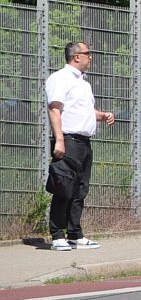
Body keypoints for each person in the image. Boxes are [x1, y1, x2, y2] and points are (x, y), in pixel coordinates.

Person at [46, 41, 115, 251]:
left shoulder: (84, 83)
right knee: (64, 189)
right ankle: (58, 235)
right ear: (76, 56)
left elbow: (85, 110)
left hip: (84, 142)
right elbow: (55, 109)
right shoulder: (60, 78)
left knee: (80, 190)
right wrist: (59, 140)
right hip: (68, 141)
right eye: (87, 54)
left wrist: (102, 116)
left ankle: (75, 233)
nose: (90, 57)